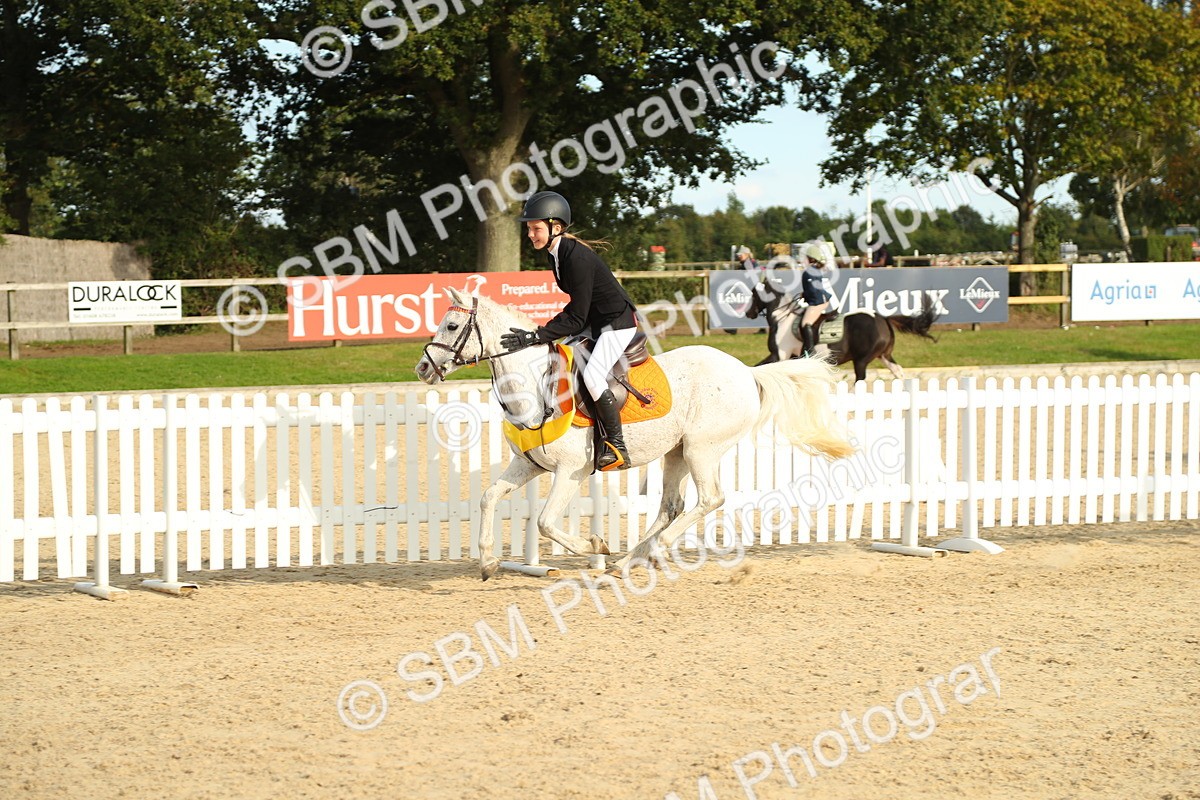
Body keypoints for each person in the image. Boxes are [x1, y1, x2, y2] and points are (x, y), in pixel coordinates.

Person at [500, 191, 639, 471]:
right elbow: (577, 310)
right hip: (594, 322)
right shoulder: (556, 253)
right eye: (529, 228)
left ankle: (616, 444)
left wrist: (537, 335)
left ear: (556, 227)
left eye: (536, 228)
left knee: (592, 376)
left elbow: (576, 317)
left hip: (616, 323)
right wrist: (542, 333)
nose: (530, 234)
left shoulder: (576, 257)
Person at [799, 242, 834, 358]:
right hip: (821, 298)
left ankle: (810, 352)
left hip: (818, 301)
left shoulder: (809, 271)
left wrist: (806, 298)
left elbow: (813, 291)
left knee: (805, 323)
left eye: (806, 257)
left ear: (810, 258)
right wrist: (805, 294)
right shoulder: (815, 269)